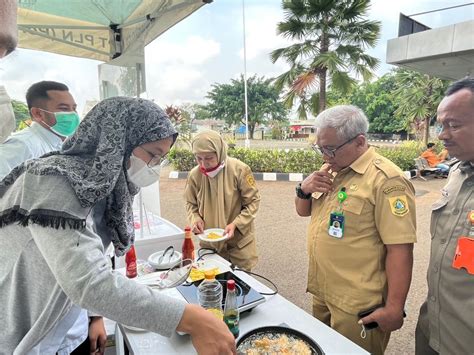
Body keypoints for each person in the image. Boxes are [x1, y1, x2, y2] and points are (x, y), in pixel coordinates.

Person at [0, 97, 236, 355]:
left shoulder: (104, 187)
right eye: (153, 155)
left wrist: (95, 315)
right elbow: (89, 283)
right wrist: (191, 319)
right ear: (117, 140)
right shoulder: (54, 181)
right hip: (20, 334)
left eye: (161, 159)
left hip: (63, 325)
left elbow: (92, 258)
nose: (154, 167)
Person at [295, 105, 416, 355]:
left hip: (357, 305)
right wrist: (303, 189)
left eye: (330, 148)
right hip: (323, 292)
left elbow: (400, 249)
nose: (324, 154)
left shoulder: (386, 180)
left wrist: (394, 308)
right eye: (320, 147)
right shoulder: (331, 169)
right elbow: (303, 211)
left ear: (360, 141)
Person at [415, 78, 474, 355]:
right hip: (433, 329)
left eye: (454, 125)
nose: (442, 135)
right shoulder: (456, 173)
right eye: (441, 125)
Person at [184, 130, 260, 271]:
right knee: (213, 285)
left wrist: (236, 224)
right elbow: (190, 203)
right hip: (210, 245)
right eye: (198, 158)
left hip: (238, 245)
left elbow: (253, 202)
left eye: (209, 158)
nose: (204, 164)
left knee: (240, 287)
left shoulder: (239, 170)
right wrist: (195, 218)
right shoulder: (195, 175)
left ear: (219, 152)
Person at [0, 81, 79, 179]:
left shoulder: (65, 145)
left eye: (74, 108)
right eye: (64, 108)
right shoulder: (22, 145)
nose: (73, 114)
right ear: (38, 113)